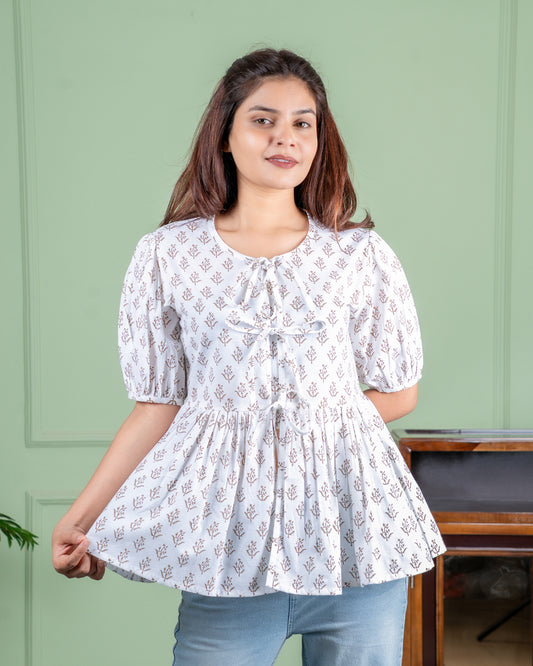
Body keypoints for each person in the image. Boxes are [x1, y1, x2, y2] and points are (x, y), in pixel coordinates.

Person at [52, 47, 446, 665]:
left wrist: (307, 425)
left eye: (302, 123)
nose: (285, 137)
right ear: (226, 135)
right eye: (263, 120)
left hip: (357, 547)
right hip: (231, 555)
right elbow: (156, 407)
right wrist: (80, 519)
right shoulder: (167, 256)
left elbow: (400, 393)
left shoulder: (360, 255)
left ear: (319, 139)